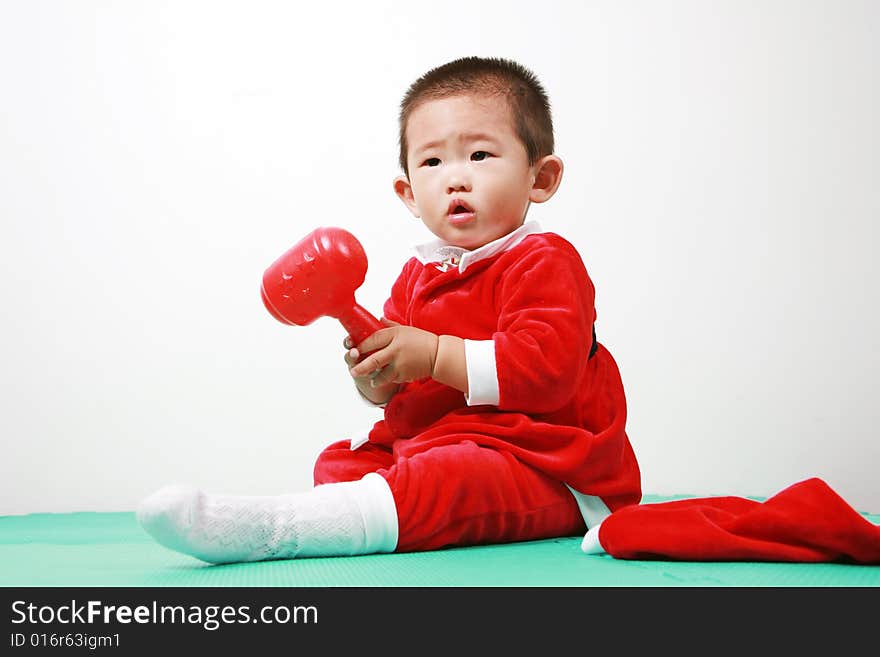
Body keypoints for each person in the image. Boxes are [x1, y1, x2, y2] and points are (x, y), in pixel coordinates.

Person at [137, 56, 641, 564]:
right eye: (432, 163)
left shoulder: (543, 260)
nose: (456, 179)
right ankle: (344, 515)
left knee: (451, 478)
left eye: (481, 155)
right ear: (408, 194)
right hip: (440, 443)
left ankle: (276, 529)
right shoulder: (418, 276)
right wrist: (376, 375)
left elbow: (545, 373)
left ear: (542, 178)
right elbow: (402, 393)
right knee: (340, 462)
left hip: (545, 462)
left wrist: (435, 353)